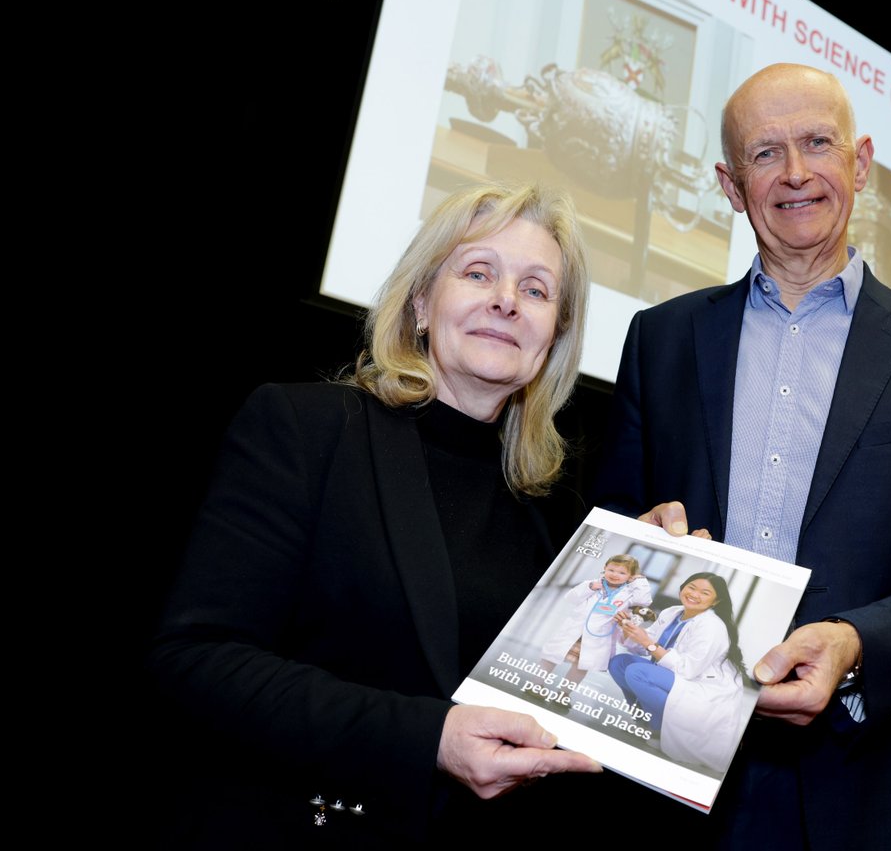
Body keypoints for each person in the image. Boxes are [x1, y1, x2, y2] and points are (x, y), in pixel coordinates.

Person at [593, 62, 891, 849]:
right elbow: (613, 532)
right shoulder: (662, 339)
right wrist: (638, 541)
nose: (794, 173)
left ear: (859, 163)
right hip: (670, 779)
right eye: (764, 153)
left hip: (862, 785)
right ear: (729, 182)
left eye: (817, 143)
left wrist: (856, 646)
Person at [147, 181, 603, 848]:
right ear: (422, 301)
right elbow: (196, 659)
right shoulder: (306, 430)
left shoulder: (555, 510)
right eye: (479, 272)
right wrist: (429, 738)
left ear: (554, 335)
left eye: (536, 290)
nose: (507, 300)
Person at [610, 572, 749, 773]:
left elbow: (688, 670)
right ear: (682, 587)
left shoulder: (712, 626)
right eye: (691, 587)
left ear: (715, 601)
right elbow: (644, 645)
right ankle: (643, 719)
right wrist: (627, 629)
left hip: (701, 687)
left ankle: (657, 730)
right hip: (672, 675)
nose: (694, 594)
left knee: (636, 672)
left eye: (705, 592)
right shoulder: (672, 612)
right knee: (618, 663)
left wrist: (647, 642)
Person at [539, 553, 652, 691]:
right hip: (575, 630)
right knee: (551, 656)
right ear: (605, 568)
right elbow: (571, 598)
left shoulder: (629, 593)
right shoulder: (592, 584)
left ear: (630, 576)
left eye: (622, 573)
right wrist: (590, 587)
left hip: (598, 636)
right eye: (611, 570)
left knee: (581, 666)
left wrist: (640, 581)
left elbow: (644, 600)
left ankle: (564, 693)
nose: (615, 574)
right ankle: (536, 683)